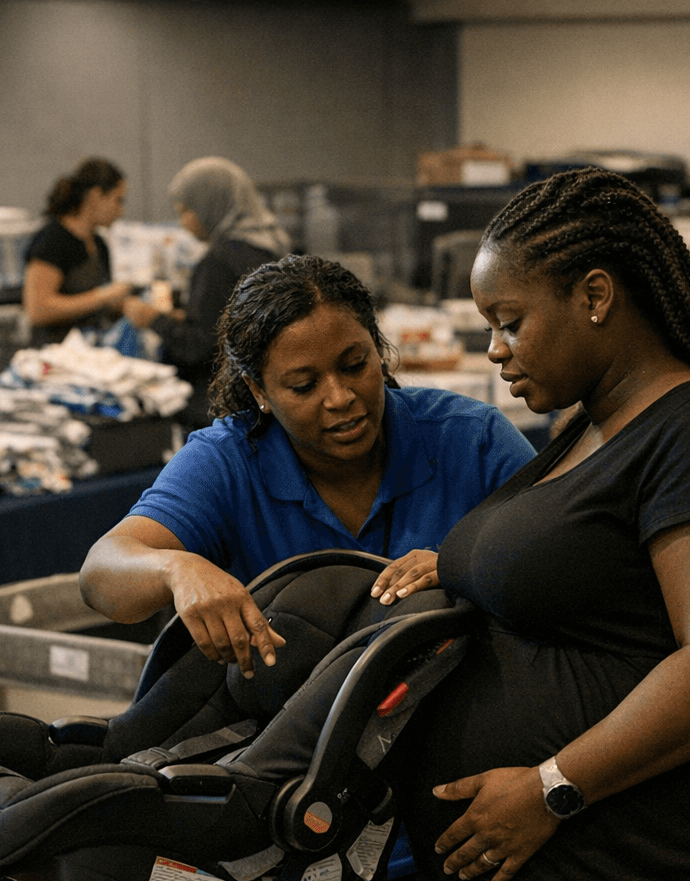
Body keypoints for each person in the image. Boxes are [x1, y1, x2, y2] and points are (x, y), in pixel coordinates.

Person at [387, 167, 690, 881]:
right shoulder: (591, 421)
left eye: (510, 322)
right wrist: (463, 565)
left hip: (651, 878)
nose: (495, 350)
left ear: (596, 294)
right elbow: (587, 578)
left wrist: (551, 785)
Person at [79, 254, 536, 677]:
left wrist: (468, 567)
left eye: (356, 365)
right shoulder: (229, 460)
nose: (340, 398)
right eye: (303, 385)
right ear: (259, 392)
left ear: (378, 350)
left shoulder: (470, 439)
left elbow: (569, 559)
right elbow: (100, 575)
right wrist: (176, 570)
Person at [120, 156, 290, 430]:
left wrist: (153, 319)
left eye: (186, 211)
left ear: (212, 207)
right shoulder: (271, 248)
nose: (183, 223)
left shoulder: (219, 261)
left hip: (221, 410)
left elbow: (201, 347)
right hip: (264, 401)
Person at [23, 158, 152, 348]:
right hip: (56, 353)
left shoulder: (99, 244)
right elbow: (38, 310)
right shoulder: (51, 240)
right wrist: (102, 296)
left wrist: (124, 304)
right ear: (95, 196)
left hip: (93, 347)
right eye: (118, 200)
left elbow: (94, 306)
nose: (121, 210)